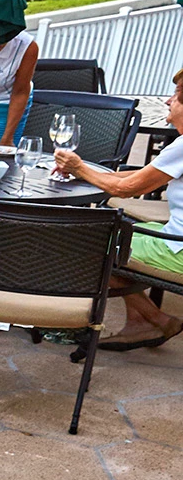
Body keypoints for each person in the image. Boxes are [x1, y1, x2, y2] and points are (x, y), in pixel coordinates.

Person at [52, 68, 183, 351]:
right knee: (108, 235)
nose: (168, 101)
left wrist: (78, 167)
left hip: (179, 249)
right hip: (175, 236)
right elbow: (139, 177)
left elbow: (127, 190)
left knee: (86, 243)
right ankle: (144, 321)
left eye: (177, 96)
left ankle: (154, 319)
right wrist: (85, 172)